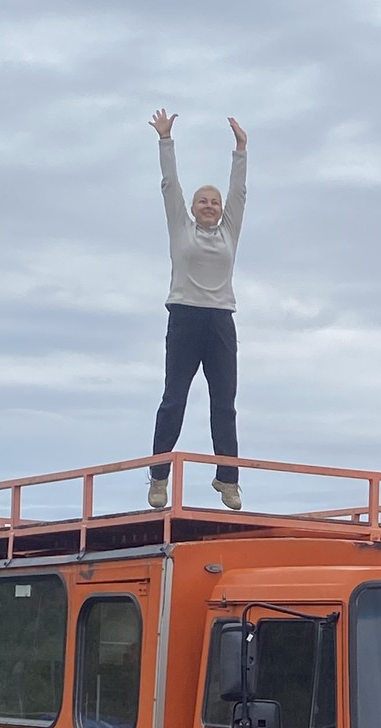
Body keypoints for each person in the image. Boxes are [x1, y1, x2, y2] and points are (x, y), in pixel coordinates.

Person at [147, 108, 247, 511]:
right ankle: (158, 477)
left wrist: (241, 149)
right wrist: (165, 141)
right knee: (175, 399)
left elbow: (239, 191)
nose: (209, 206)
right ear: (191, 208)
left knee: (224, 403)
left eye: (214, 202)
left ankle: (228, 479)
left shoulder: (229, 231)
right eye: (202, 201)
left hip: (221, 319)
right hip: (185, 316)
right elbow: (169, 185)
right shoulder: (180, 228)